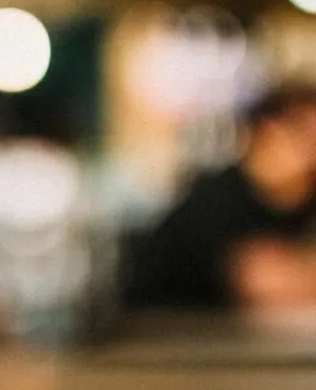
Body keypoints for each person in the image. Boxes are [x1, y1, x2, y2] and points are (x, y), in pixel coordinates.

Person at [127, 84, 316, 308]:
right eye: (303, 132)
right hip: (166, 333)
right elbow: (264, 280)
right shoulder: (216, 200)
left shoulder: (301, 201)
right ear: (267, 131)